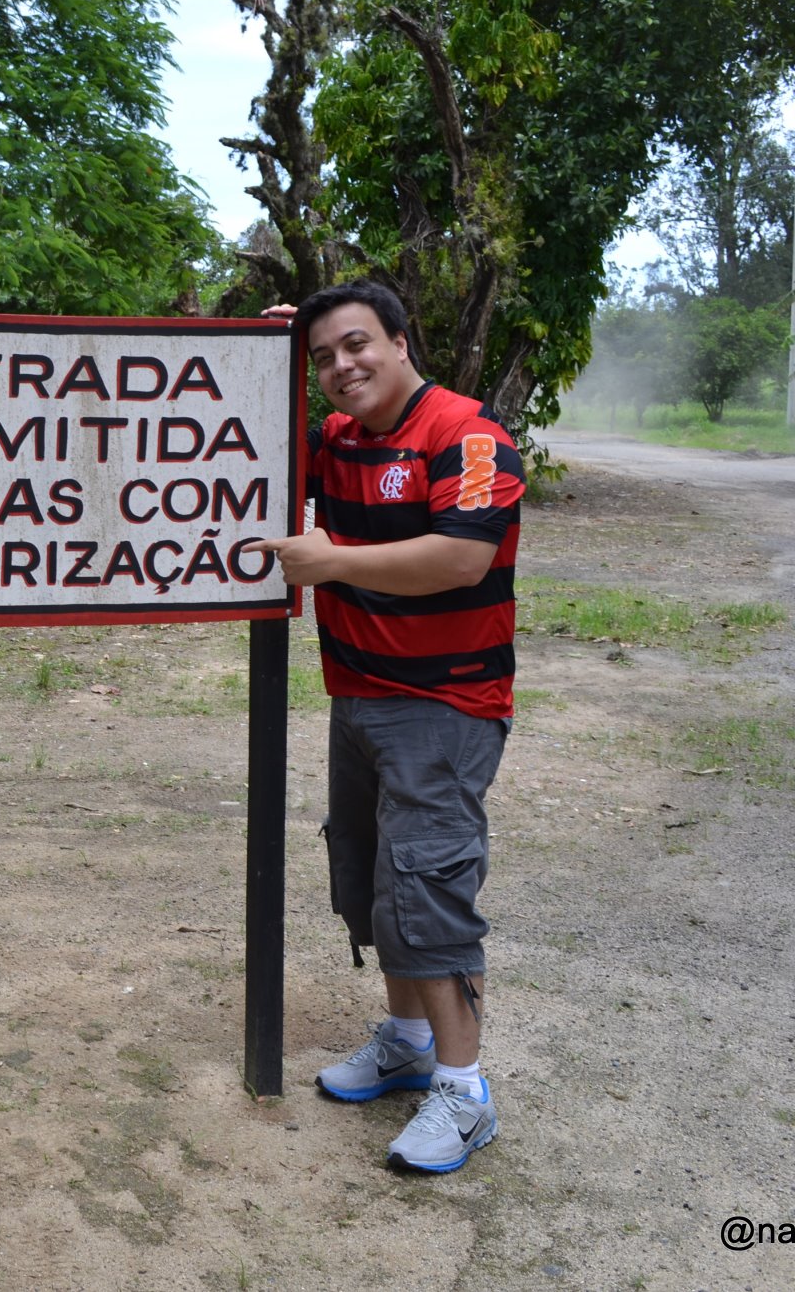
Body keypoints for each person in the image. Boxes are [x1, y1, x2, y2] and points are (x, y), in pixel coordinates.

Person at [255, 280, 524, 1174]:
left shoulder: (469, 434)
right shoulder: (335, 440)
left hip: (444, 707)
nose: (343, 366)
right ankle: (409, 1040)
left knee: (429, 887)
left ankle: (464, 1090)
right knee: (375, 877)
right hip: (359, 695)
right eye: (323, 356)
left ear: (402, 341)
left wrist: (331, 560)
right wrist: (255, 368)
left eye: (357, 344)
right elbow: (242, 448)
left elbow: (462, 555)